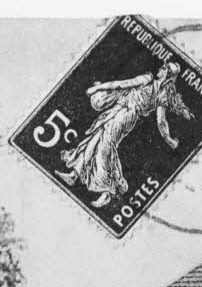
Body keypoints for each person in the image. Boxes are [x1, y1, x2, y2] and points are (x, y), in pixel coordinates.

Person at [55, 61, 194, 208]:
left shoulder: (150, 82)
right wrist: (169, 139)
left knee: (104, 147)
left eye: (164, 67)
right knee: (95, 139)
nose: (161, 68)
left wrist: (97, 88)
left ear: (167, 74)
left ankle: (106, 191)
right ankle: (74, 174)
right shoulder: (159, 90)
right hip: (119, 111)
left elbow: (121, 85)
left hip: (125, 116)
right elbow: (160, 120)